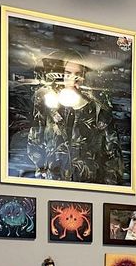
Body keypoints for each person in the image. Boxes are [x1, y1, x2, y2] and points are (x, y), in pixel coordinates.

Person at [26, 50, 125, 185]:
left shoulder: (98, 111)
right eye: (68, 74)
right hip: (53, 184)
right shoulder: (47, 107)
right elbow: (35, 143)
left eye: (78, 75)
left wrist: (109, 188)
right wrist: (42, 177)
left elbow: (113, 155)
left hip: (91, 187)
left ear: (84, 77)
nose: (73, 79)